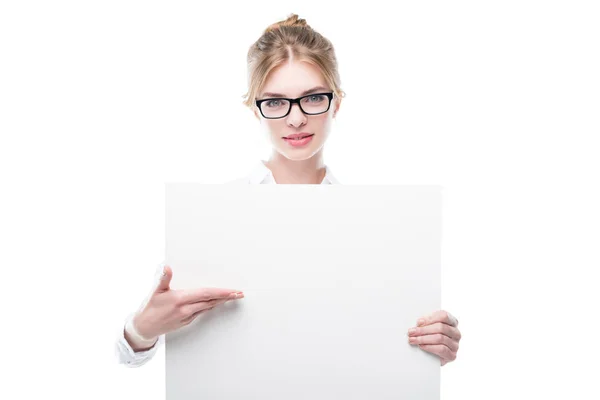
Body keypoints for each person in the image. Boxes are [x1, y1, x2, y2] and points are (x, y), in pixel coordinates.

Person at [115, 13, 462, 368]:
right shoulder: (210, 218)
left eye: (312, 98)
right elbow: (130, 357)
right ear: (256, 111)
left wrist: (429, 348)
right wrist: (141, 330)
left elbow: (374, 346)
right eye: (276, 102)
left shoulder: (377, 229)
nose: (295, 119)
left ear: (336, 103)